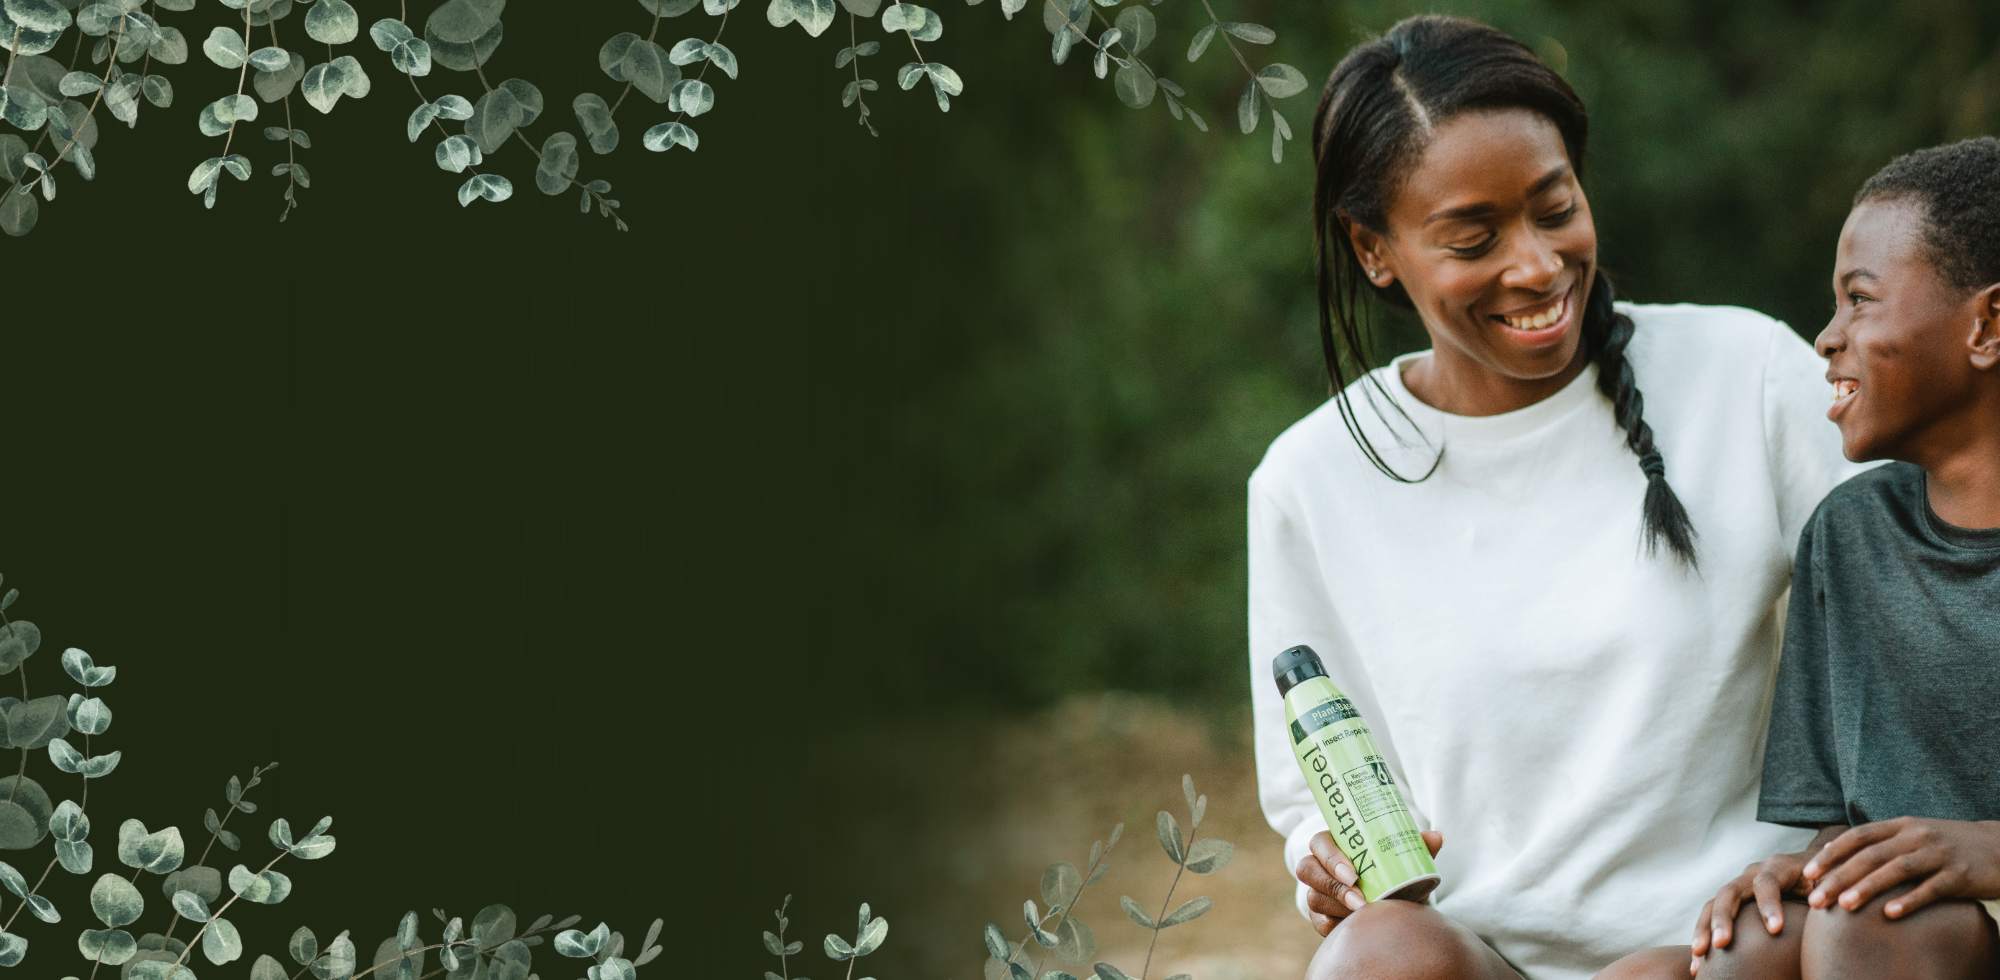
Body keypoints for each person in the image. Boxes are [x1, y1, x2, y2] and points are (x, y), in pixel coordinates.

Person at [1247, 14, 1865, 980]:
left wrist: (1817, 853)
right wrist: (1321, 864)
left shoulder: (1742, 374)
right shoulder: (1309, 481)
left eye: (1553, 206)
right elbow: (1310, 792)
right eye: (1473, 236)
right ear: (1373, 249)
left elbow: (1915, 616)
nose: (1536, 265)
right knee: (1373, 959)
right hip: (1483, 954)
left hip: (1731, 941)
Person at [1665, 138, 2000, 980]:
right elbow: (1840, 822)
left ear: (1987, 325)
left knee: (1867, 930)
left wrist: (1984, 851)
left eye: (1859, 301)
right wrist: (1813, 871)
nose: (1826, 338)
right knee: (1743, 947)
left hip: (1926, 936)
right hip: (1909, 942)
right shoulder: (1850, 536)